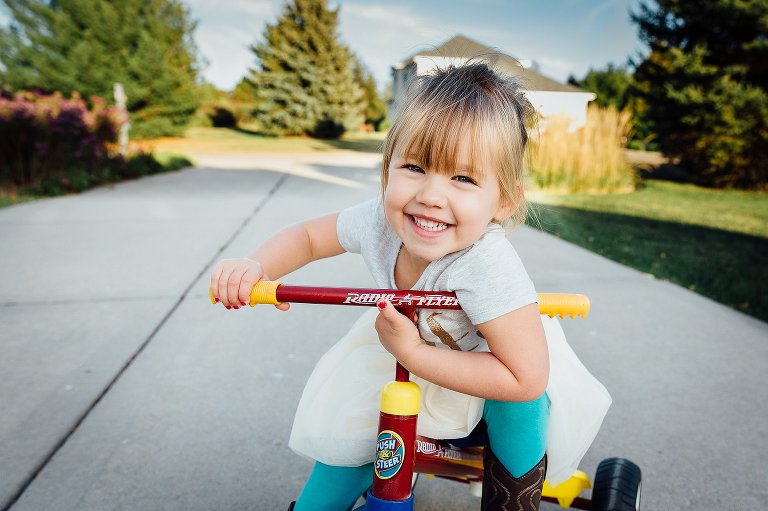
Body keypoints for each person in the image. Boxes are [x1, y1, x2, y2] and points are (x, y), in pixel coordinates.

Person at [210, 62, 610, 511]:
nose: (431, 195)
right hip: (404, 352)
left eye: (463, 178)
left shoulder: (488, 264)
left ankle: (513, 501)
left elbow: (524, 376)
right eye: (415, 167)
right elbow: (307, 236)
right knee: (355, 428)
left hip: (496, 368)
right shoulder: (380, 220)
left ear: (504, 201)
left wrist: (415, 353)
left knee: (524, 407)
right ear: (387, 169)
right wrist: (255, 264)